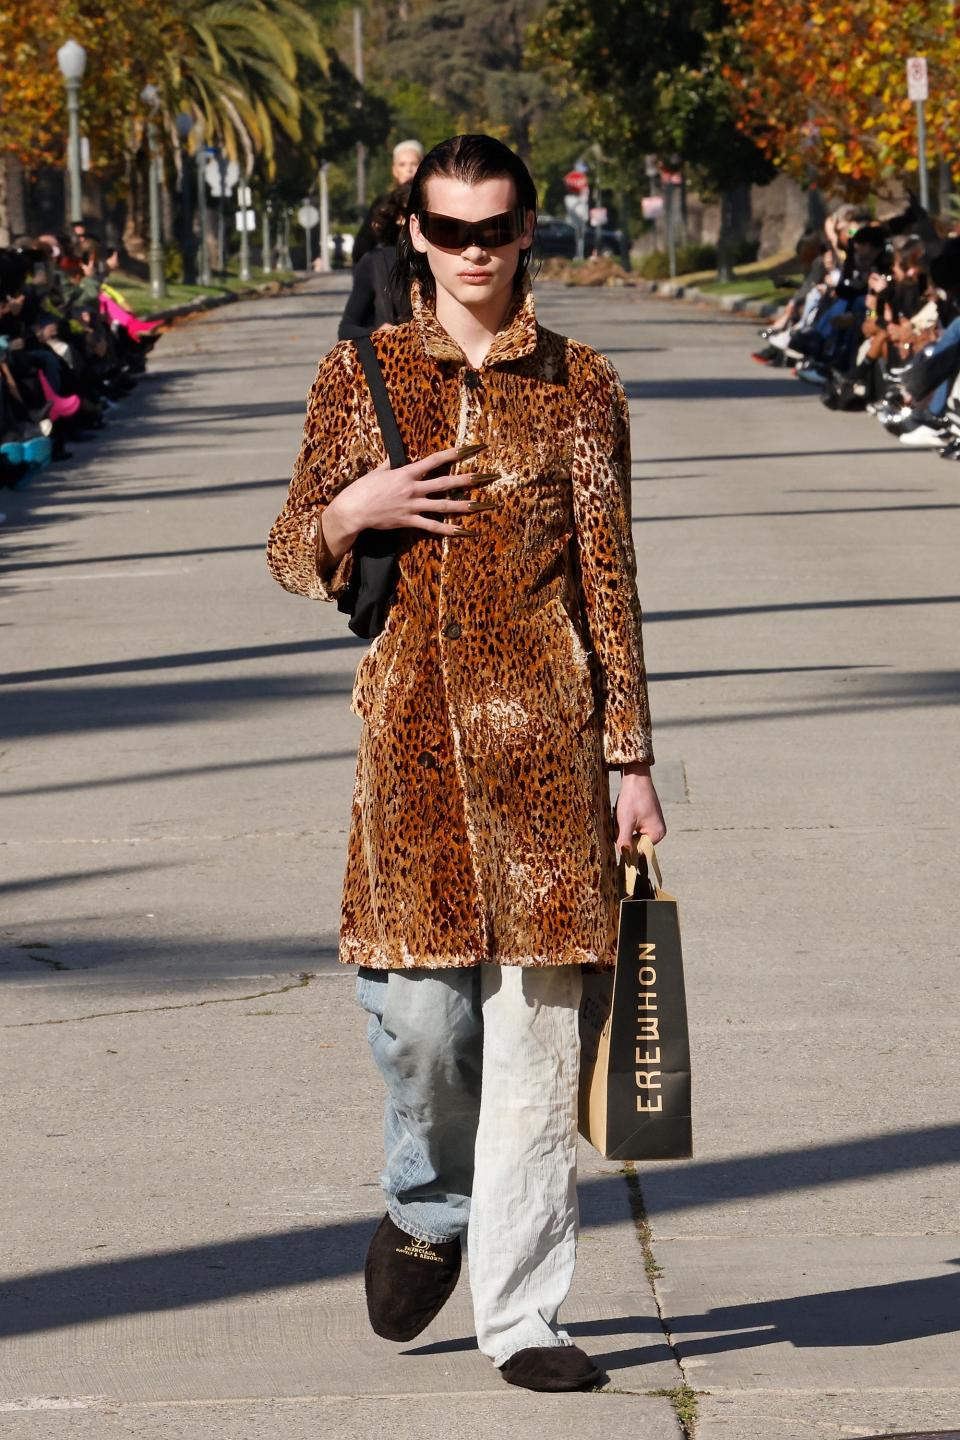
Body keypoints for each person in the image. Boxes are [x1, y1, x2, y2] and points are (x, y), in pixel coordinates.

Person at [266, 133, 665, 1393]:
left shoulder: (583, 383)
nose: (476, 252)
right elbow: (285, 550)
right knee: (429, 1033)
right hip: (412, 762)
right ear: (415, 236)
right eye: (451, 231)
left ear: (528, 229)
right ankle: (430, 1207)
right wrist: (351, 512)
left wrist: (634, 760)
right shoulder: (359, 376)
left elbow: (613, 585)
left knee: (543, 1050)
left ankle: (527, 1315)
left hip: (546, 757)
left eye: (497, 228)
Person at [338, 184, 413, 339]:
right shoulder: (377, 262)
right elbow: (346, 329)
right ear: (399, 217)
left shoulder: (450, 258)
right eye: (412, 213)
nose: (418, 221)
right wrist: (379, 334)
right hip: (393, 358)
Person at [352, 139, 424, 266]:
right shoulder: (383, 204)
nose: (409, 169)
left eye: (414, 164)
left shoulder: (431, 201)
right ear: (394, 170)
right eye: (402, 164)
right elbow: (360, 250)